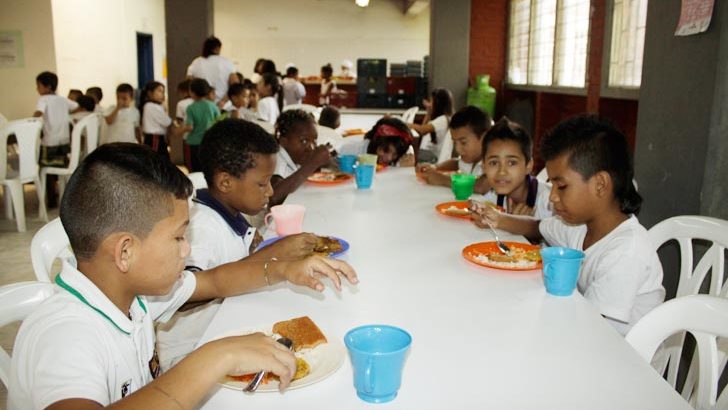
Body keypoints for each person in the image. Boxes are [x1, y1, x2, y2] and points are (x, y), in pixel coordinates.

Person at [8, 142, 358, 409]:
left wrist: (284, 268)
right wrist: (215, 357)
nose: (187, 249)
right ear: (125, 251)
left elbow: (215, 281)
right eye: (178, 237)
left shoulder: (134, 293)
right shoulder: (65, 334)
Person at [476, 115, 664, 335]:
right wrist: (498, 219)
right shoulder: (579, 226)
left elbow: (593, 332)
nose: (552, 197)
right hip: (583, 331)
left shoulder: (626, 252)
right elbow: (538, 227)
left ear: (600, 184)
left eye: (562, 186)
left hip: (618, 350)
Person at [157, 119, 319, 369]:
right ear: (225, 183)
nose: (269, 192)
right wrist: (272, 254)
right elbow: (182, 296)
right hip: (190, 353)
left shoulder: (230, 211)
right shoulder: (201, 227)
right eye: (262, 183)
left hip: (222, 331)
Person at [469, 117, 552, 223]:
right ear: (484, 166)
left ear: (528, 166)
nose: (501, 171)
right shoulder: (491, 198)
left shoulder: (549, 203)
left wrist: (517, 226)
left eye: (512, 163)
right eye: (494, 163)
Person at [416, 106, 492, 194]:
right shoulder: (471, 158)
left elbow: (480, 187)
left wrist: (441, 179)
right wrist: (435, 167)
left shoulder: (494, 160)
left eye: (463, 142)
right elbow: (456, 163)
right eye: (455, 143)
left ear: (484, 138)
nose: (458, 149)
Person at [33, 71, 79, 207]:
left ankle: (52, 200)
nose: (36, 89)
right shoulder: (63, 100)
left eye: (38, 86)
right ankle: (65, 193)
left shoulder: (43, 99)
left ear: (47, 87)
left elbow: (39, 113)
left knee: (44, 168)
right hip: (64, 143)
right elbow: (77, 107)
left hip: (49, 143)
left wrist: (31, 120)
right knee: (60, 166)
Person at [270, 109, 332, 206]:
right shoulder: (276, 159)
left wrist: (320, 163)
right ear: (283, 141)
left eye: (314, 141)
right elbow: (273, 197)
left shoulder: (296, 157)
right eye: (304, 141)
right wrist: (313, 163)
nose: (311, 147)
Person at [339, 117, 415, 167]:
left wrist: (402, 167)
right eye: (385, 150)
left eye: (395, 154)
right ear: (375, 143)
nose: (389, 158)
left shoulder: (404, 155)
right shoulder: (350, 150)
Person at [408, 88, 454, 164]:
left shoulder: (443, 119)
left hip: (432, 156)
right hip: (428, 153)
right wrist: (428, 113)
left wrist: (405, 124)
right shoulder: (439, 118)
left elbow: (422, 129)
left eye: (431, 101)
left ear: (438, 103)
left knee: (408, 154)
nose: (429, 104)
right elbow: (422, 132)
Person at [186, 36, 238, 102]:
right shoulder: (227, 62)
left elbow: (189, 82)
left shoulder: (196, 62)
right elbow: (235, 85)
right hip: (223, 104)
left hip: (201, 103)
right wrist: (223, 102)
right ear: (217, 48)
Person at [184, 78, 219, 172]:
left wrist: (177, 131)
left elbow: (190, 127)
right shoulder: (213, 106)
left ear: (192, 92)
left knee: (193, 170)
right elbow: (219, 123)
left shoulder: (191, 108)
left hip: (193, 143)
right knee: (207, 170)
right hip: (209, 142)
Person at [139, 81, 175, 160]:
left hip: (156, 139)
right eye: (159, 91)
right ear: (150, 93)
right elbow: (167, 122)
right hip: (154, 139)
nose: (162, 94)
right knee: (157, 160)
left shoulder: (154, 106)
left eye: (163, 92)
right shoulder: (151, 106)